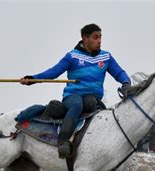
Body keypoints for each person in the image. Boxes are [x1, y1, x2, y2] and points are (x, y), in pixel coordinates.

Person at [20, 23, 131, 158]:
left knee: (92, 104)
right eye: (95, 37)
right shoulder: (72, 56)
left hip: (92, 98)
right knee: (77, 104)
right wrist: (32, 79)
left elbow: (119, 72)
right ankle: (63, 142)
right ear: (85, 39)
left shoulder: (105, 57)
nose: (99, 41)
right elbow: (53, 72)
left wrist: (126, 83)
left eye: (100, 37)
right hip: (72, 96)